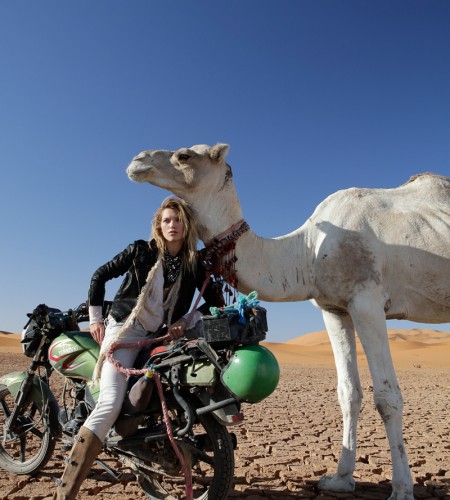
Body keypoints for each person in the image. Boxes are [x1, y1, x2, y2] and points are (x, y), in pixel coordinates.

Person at [56, 197, 224, 499]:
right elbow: (100, 276)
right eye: (167, 220)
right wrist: (96, 320)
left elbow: (214, 302)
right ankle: (65, 492)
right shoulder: (141, 251)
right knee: (110, 404)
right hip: (124, 330)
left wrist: (186, 320)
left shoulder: (193, 264)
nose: (173, 225)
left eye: (178, 220)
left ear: (187, 226)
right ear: (159, 226)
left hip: (158, 337)